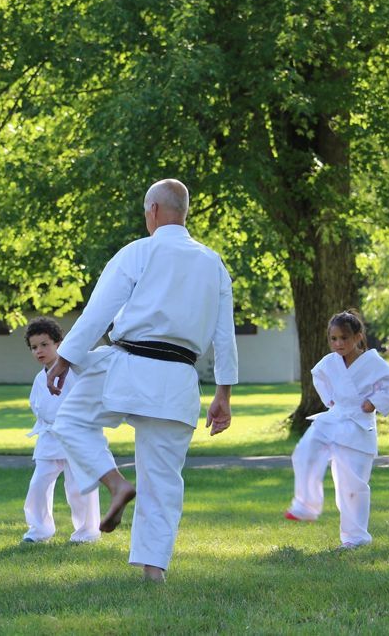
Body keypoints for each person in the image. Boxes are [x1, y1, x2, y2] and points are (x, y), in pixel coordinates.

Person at [46, 179, 238, 583]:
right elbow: (225, 334)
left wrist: (64, 358)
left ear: (153, 210)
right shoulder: (213, 264)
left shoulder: (139, 251)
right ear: (182, 212)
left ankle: (115, 483)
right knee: (163, 481)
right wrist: (223, 394)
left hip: (127, 367)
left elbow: (100, 310)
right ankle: (154, 575)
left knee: (70, 421)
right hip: (178, 380)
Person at [285, 310, 389, 550]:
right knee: (305, 451)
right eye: (334, 339)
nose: (338, 343)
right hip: (335, 417)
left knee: (351, 485)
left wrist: (375, 401)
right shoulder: (330, 363)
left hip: (359, 425)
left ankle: (355, 537)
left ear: (358, 337)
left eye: (344, 338)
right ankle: (306, 505)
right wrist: (329, 398)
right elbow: (318, 376)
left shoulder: (372, 362)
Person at [21, 317, 101, 545]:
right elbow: (38, 406)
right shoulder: (39, 379)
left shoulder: (75, 371)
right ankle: (38, 530)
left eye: (45, 344)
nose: (39, 351)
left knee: (78, 488)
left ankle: (86, 533)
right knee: (38, 484)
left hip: (76, 438)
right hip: (49, 438)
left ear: (59, 344)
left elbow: (87, 401)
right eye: (34, 347)